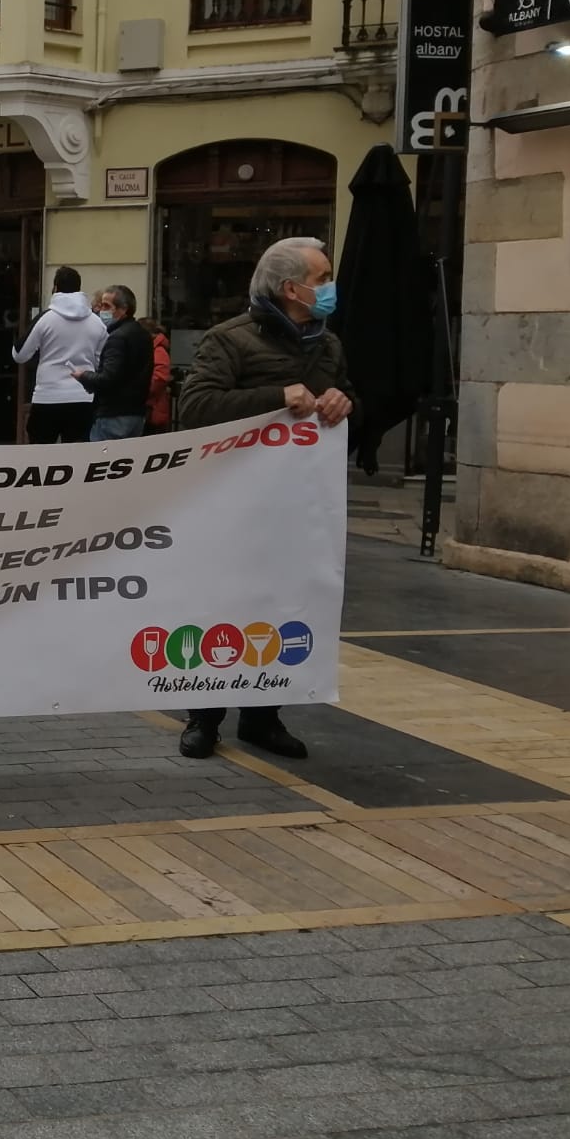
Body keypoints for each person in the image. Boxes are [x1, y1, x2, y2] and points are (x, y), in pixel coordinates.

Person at [175, 236, 355, 764]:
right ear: (290, 287)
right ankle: (202, 718)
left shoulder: (328, 343)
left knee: (282, 604)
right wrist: (277, 396)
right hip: (230, 506)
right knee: (220, 606)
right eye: (322, 279)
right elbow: (198, 407)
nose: (329, 288)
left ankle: (263, 715)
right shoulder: (229, 340)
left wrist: (345, 401)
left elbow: (345, 397)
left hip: (295, 506)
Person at [12, 266, 104, 443]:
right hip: (83, 398)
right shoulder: (96, 322)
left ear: (55, 288)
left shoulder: (45, 319)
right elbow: (103, 361)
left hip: (48, 396)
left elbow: (19, 354)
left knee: (42, 459)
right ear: (79, 288)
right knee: (78, 457)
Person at [75, 285, 153, 441]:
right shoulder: (143, 334)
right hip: (136, 414)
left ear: (123, 309)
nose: (101, 310)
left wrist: (84, 376)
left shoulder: (117, 338)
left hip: (113, 414)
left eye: (107, 306)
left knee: (100, 462)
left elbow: (108, 378)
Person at [141, 316, 175, 435]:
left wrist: (139, 391)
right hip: (150, 407)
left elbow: (159, 379)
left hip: (153, 410)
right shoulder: (152, 349)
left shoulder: (158, 351)